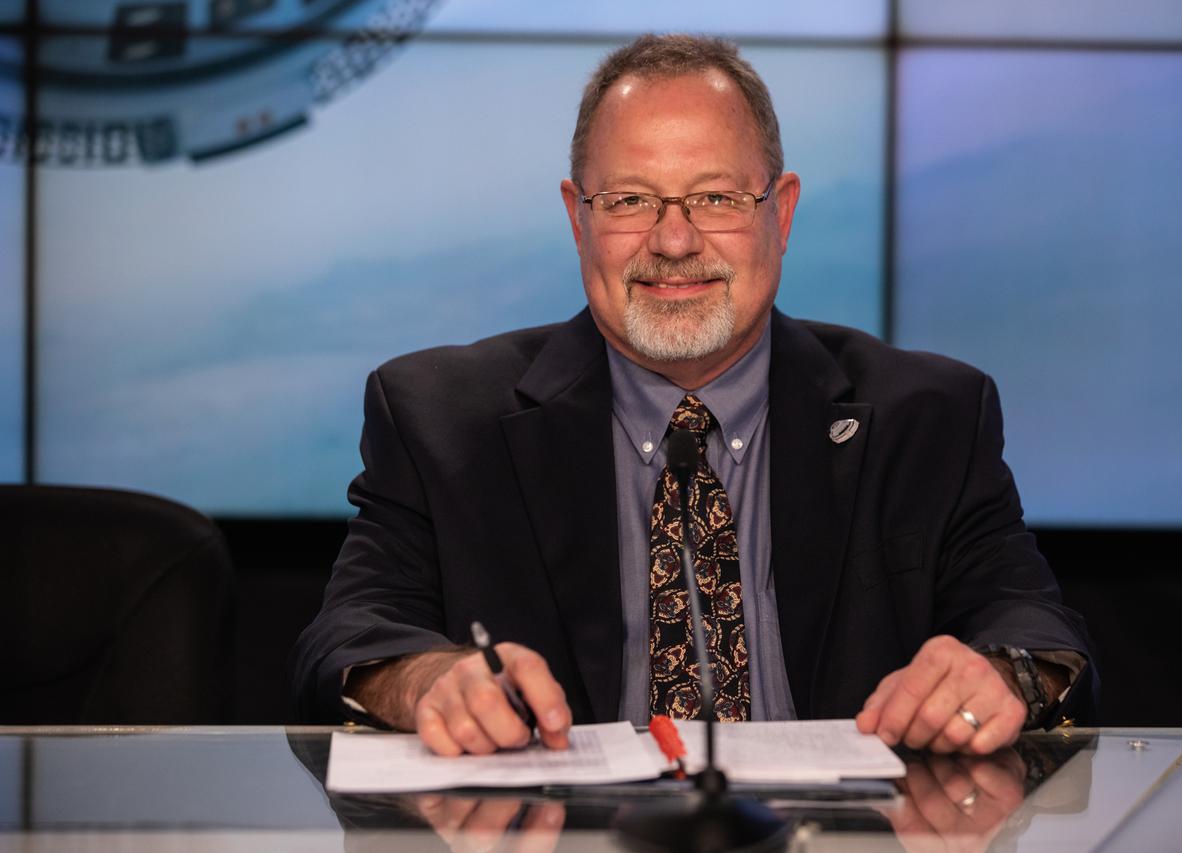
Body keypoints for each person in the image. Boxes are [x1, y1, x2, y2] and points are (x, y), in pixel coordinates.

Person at [289, 33, 1096, 758]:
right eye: (631, 200)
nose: (674, 242)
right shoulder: (440, 419)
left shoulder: (931, 417)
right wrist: (427, 679)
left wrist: (1005, 676)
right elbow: (349, 638)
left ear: (780, 213)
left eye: (715, 198)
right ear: (578, 219)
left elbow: (1035, 631)